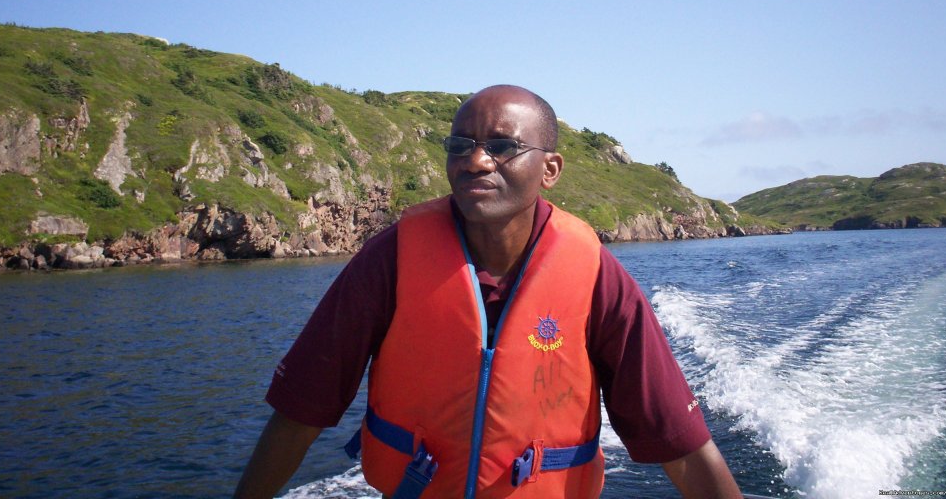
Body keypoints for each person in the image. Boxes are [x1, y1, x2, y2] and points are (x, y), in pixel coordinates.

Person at [233, 85, 743, 499]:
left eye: (502, 147)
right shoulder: (391, 259)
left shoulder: (595, 276)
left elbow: (680, 442)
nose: (475, 161)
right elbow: (300, 412)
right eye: (460, 145)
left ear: (550, 169)